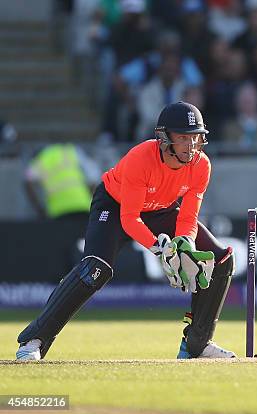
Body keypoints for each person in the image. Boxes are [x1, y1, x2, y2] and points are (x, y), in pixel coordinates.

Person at [16, 102, 236, 361]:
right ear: (165, 138)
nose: (191, 145)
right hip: (114, 204)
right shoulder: (140, 158)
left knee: (221, 259)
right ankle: (35, 339)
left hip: (161, 209)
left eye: (195, 137)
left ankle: (197, 345)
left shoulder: (201, 165)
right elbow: (130, 219)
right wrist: (160, 248)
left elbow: (187, 216)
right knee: (95, 270)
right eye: (183, 137)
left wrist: (184, 243)